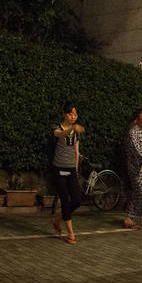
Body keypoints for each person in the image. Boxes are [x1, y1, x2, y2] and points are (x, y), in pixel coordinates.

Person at [50, 103, 85, 244]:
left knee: (76, 200)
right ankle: (71, 233)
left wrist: (76, 170)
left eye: (75, 114)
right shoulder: (56, 128)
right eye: (71, 114)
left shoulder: (75, 132)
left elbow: (76, 152)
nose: (73, 117)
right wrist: (71, 128)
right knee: (65, 200)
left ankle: (57, 218)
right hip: (58, 169)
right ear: (64, 114)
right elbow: (60, 134)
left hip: (71, 170)